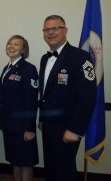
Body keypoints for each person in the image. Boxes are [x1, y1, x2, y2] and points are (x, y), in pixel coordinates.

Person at [38, 15, 97, 181]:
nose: (50, 33)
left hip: (67, 127)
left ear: (65, 30)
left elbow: (88, 97)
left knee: (65, 171)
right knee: (50, 168)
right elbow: (45, 93)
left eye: (55, 28)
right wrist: (42, 118)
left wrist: (76, 129)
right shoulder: (44, 59)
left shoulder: (80, 57)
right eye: (46, 29)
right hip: (48, 125)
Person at [0, 35, 39, 181]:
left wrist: (29, 128)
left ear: (23, 49)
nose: (11, 46)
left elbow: (31, 100)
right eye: (9, 43)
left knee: (26, 163)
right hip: (9, 125)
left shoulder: (29, 69)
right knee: (14, 161)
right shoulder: (6, 68)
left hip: (22, 127)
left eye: (16, 44)